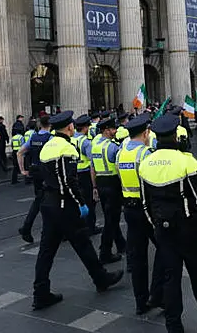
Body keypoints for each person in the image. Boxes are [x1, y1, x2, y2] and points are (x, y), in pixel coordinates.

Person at [138, 114, 197, 333]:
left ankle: (173, 325)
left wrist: (154, 223)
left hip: (162, 228)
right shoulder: (188, 162)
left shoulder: (145, 163)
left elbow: (145, 201)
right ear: (176, 137)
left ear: (157, 138)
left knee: (171, 277)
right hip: (189, 228)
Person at [31, 112, 122, 310]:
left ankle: (40, 292)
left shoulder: (48, 146)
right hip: (65, 205)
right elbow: (69, 181)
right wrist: (81, 202)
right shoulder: (67, 148)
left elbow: (41, 173)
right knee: (83, 243)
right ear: (70, 127)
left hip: (48, 203)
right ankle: (100, 278)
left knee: (46, 251)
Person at [117, 115, 165, 315]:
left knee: (137, 258)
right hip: (147, 210)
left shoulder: (120, 153)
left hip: (129, 209)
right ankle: (157, 294)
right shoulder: (145, 154)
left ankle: (140, 302)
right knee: (164, 249)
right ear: (145, 133)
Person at [91, 116, 127, 263]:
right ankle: (105, 252)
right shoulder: (112, 147)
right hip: (113, 183)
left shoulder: (95, 146)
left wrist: (94, 187)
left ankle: (121, 244)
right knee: (112, 220)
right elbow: (118, 168)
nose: (115, 131)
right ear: (106, 130)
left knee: (109, 216)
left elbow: (92, 168)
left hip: (100, 182)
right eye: (113, 129)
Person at [18, 116, 53, 244]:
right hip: (46, 172)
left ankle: (27, 228)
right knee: (48, 200)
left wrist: (23, 170)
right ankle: (45, 231)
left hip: (35, 171)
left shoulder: (33, 137)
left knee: (40, 199)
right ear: (50, 124)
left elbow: (20, 153)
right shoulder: (50, 138)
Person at [72, 115, 99, 233]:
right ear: (85, 128)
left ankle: (79, 225)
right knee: (89, 201)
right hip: (85, 173)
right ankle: (90, 227)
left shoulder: (72, 139)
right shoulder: (86, 142)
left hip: (74, 173)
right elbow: (92, 161)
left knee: (77, 200)